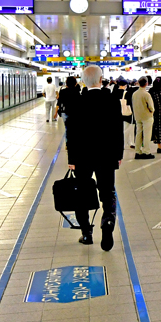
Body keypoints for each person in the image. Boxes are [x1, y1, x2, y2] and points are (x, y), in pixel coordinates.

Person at [67, 66, 123, 250]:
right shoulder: (112, 100)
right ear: (101, 80)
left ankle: (86, 233)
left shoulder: (76, 101)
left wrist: (72, 158)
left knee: (81, 193)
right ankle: (107, 223)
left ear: (83, 81)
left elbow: (71, 133)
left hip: (82, 156)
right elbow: (117, 130)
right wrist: (119, 154)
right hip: (106, 155)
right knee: (108, 192)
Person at [132, 77, 156, 159]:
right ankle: (146, 152)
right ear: (146, 83)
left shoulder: (134, 94)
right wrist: (152, 111)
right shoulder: (146, 94)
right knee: (147, 135)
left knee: (139, 134)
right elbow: (151, 107)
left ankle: (137, 151)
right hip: (147, 117)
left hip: (138, 116)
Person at [123, 80, 138, 148]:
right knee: (130, 128)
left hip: (124, 111)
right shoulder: (134, 92)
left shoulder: (126, 92)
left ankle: (128, 142)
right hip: (130, 111)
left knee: (126, 127)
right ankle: (129, 142)